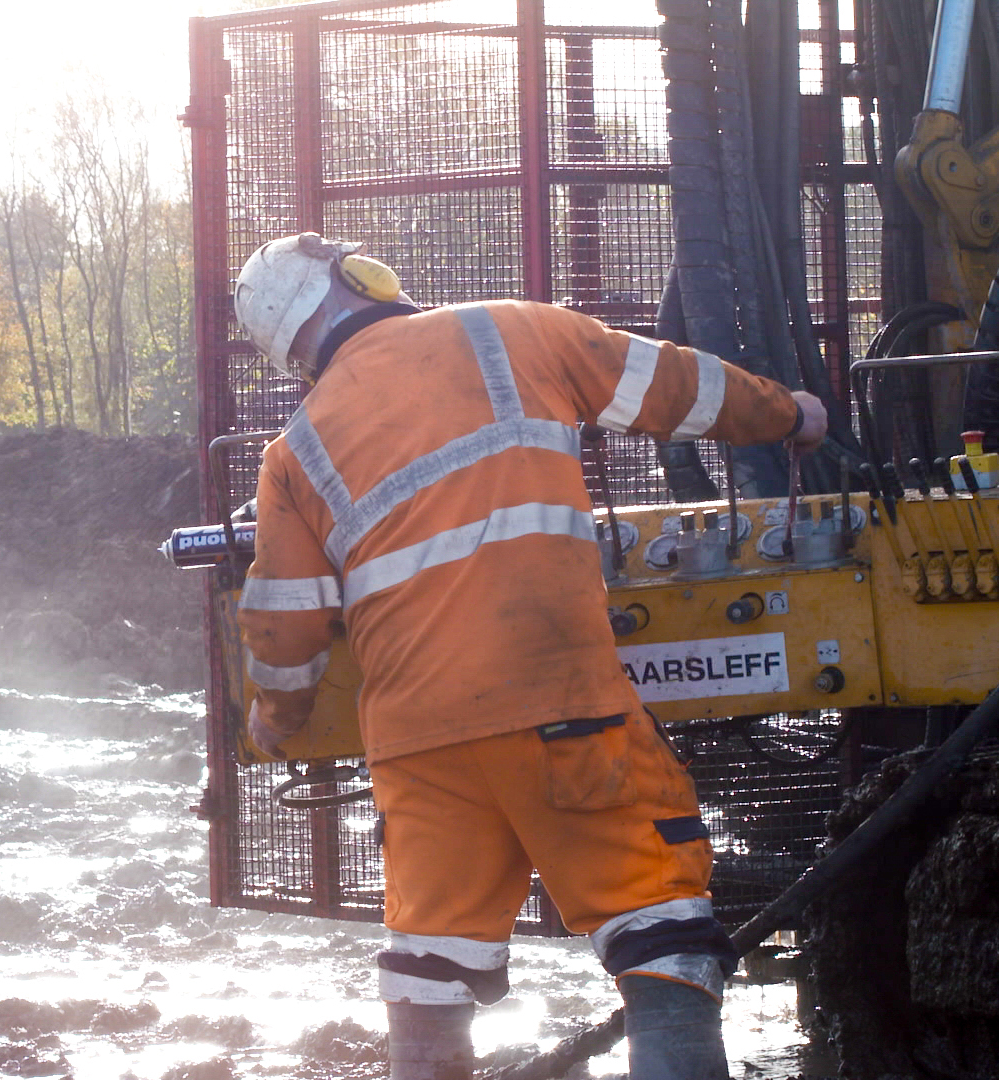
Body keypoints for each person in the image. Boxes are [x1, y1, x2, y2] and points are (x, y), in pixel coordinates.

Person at [231, 233, 828, 1080]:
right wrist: (790, 414)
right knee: (665, 946)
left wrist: (274, 718)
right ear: (357, 277)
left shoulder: (293, 452)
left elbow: (284, 629)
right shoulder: (504, 331)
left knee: (425, 983)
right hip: (560, 705)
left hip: (417, 745)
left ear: (291, 352)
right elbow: (674, 386)